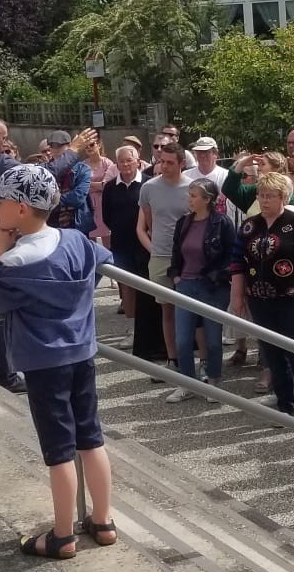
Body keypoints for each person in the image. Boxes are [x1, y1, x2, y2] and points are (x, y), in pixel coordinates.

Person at [0, 163, 117, 561]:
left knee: (58, 448)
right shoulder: (74, 239)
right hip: (82, 351)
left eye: (0, 202)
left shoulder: (17, 262)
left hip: (43, 361)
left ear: (21, 208)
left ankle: (62, 534)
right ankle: (103, 521)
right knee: (91, 438)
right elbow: (101, 255)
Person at [0, 116, 93, 392]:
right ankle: (8, 375)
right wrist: (74, 151)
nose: (5, 143)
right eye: (3, 137)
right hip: (4, 243)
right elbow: (43, 175)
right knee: (3, 313)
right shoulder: (2, 164)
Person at [230, 171, 294, 427]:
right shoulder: (249, 226)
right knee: (273, 355)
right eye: (261, 195)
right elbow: (237, 263)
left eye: (270, 196)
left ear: (283, 197)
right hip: (260, 300)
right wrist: (238, 297)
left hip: (293, 298)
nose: (264, 201)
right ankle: (285, 407)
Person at [165, 178, 236, 402]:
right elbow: (176, 251)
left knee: (214, 340)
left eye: (194, 196)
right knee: (184, 340)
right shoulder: (184, 222)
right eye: (190, 195)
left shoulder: (222, 223)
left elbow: (232, 257)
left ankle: (214, 382)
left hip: (212, 287)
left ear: (207, 199)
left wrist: (218, 277)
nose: (190, 199)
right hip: (185, 285)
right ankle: (187, 383)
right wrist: (176, 275)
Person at [137, 141, 194, 365]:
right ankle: (173, 357)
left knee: (190, 311)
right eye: (162, 162)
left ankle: (192, 358)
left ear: (182, 164)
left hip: (189, 257)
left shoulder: (193, 188)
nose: (164, 166)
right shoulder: (148, 187)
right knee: (166, 310)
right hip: (160, 255)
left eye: (170, 163)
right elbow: (149, 221)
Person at [99, 145, 155, 339]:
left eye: (129, 160)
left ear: (137, 161)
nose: (125, 164)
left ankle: (150, 328)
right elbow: (106, 216)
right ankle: (132, 329)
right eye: (121, 161)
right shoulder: (110, 188)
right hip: (121, 244)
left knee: (148, 285)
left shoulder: (149, 184)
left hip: (146, 244)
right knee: (128, 287)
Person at [187, 136, 229, 201]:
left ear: (215, 153)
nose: (202, 155)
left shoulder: (226, 176)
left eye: (206, 152)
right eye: (199, 152)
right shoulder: (186, 175)